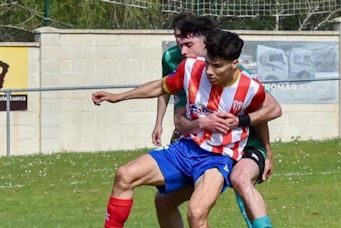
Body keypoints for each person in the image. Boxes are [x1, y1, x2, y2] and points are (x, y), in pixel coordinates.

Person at [92, 29, 268, 228]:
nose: (209, 71)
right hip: (185, 148)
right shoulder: (191, 68)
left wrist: (267, 152)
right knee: (125, 175)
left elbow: (264, 116)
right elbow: (160, 87)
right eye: (208, 62)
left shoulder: (252, 89)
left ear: (234, 64)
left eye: (217, 66)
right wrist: (118, 97)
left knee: (196, 213)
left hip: (218, 158)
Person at [153, 16, 281, 228]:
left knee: (240, 179)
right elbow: (166, 92)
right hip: (207, 150)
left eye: (188, 42)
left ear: (206, 44)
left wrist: (267, 151)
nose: (181, 47)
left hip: (245, 147)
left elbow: (269, 110)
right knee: (164, 200)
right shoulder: (178, 63)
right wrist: (171, 126)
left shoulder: (235, 75)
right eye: (178, 38)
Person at [152, 11, 197, 146]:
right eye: (177, 36)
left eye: (185, 36)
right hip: (181, 120)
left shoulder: (209, 55)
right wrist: (158, 123)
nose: (181, 40)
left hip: (203, 120)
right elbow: (163, 89)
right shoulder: (169, 57)